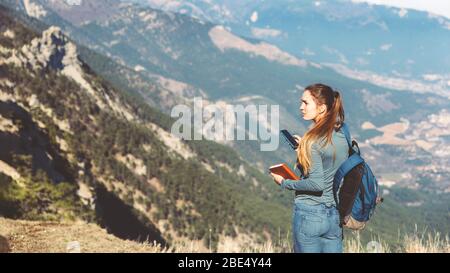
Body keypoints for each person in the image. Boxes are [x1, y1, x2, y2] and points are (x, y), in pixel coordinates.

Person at [270, 83, 348, 253]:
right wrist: (302, 151)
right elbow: (330, 164)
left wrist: (284, 182)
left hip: (310, 214)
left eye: (306, 103)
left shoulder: (312, 141)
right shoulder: (342, 134)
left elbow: (316, 184)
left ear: (321, 108)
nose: (301, 107)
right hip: (334, 216)